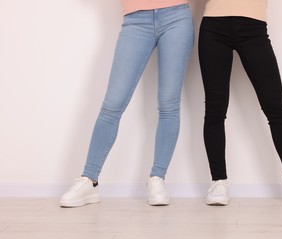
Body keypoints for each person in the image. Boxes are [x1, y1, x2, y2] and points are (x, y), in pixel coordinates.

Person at [60, 0, 194, 207]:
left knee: (168, 103)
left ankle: (157, 178)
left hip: (176, 16)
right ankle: (89, 180)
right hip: (135, 20)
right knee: (112, 104)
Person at [198, 0, 282, 207]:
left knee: (276, 109)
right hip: (214, 26)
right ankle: (218, 181)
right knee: (215, 108)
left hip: (254, 28)